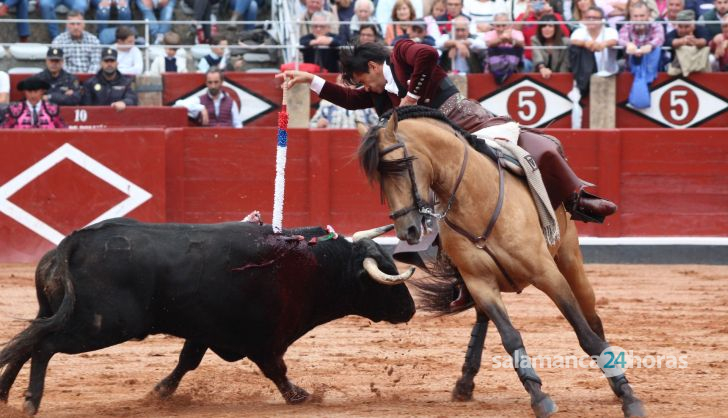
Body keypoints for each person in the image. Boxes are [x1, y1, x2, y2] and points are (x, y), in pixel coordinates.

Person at [276, 40, 618, 225]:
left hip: (465, 121)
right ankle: (459, 278)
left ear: (372, 66)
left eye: (364, 79)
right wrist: (311, 81)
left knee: (536, 145)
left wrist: (411, 94)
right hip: (434, 146)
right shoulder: (378, 92)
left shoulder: (400, 54)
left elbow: (428, 53)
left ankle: (577, 199)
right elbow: (350, 100)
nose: (366, 88)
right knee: (425, 197)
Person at [619, 1, 663, 108]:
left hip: (652, 61)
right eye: (636, 16)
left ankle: (646, 80)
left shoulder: (656, 25)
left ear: (648, 15)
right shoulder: (627, 26)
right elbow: (621, 39)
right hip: (632, 62)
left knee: (656, 49)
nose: (639, 19)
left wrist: (648, 47)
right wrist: (629, 44)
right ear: (631, 16)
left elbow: (659, 38)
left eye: (642, 15)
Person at [173, 68, 244, 127]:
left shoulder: (231, 102)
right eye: (210, 82)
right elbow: (177, 104)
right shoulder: (199, 100)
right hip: (206, 140)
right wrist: (201, 108)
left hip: (227, 139)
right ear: (206, 83)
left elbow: (237, 125)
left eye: (216, 82)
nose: (213, 86)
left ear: (221, 82)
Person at [665, 9, 711, 75]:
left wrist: (694, 41)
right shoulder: (672, 33)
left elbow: (704, 41)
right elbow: (671, 42)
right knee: (683, 48)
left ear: (693, 24)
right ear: (676, 25)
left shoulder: (702, 30)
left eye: (687, 27)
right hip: (679, 70)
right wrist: (684, 41)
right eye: (680, 27)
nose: (683, 30)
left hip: (700, 67)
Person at [531, 14, 571, 78]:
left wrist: (559, 79)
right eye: (543, 26)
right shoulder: (535, 40)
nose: (547, 29)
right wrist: (542, 68)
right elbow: (537, 57)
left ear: (556, 28)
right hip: (540, 75)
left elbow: (565, 65)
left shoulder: (566, 42)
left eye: (550, 26)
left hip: (560, 76)